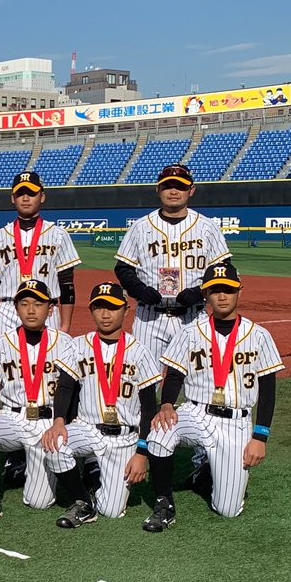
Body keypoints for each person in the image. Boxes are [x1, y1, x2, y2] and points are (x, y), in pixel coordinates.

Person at [138, 262, 283, 531]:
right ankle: (164, 505)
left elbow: (268, 390)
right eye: (215, 290)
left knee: (228, 510)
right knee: (159, 433)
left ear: (239, 291)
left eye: (228, 289)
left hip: (236, 422)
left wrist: (260, 437)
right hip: (197, 412)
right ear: (205, 294)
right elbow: (174, 375)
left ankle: (205, 470)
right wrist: (167, 404)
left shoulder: (259, 335)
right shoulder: (190, 332)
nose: (222, 296)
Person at [113, 163, 230, 488]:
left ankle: (203, 462)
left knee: (201, 386)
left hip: (192, 316)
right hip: (150, 317)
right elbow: (123, 269)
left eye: (179, 185)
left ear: (191, 190)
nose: (173, 190)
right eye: (167, 185)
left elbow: (224, 269)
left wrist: (200, 291)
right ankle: (135, 451)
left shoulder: (207, 228)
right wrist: (140, 291)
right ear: (158, 189)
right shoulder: (141, 227)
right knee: (141, 386)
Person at [38, 282, 161, 528]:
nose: (105, 314)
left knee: (112, 511)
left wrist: (142, 453)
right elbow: (65, 387)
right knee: (55, 445)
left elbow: (149, 408)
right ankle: (83, 502)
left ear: (126, 310)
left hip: (124, 437)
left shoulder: (140, 352)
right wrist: (59, 421)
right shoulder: (78, 345)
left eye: (113, 308)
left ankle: (94, 470)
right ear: (91, 310)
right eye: (99, 307)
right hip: (88, 428)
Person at [0, 280, 73, 524]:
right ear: (16, 308)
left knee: (40, 502)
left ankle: (27, 467)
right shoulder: (1, 343)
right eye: (24, 304)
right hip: (12, 416)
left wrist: (63, 421)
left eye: (38, 304)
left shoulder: (65, 342)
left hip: (47, 421)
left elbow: (71, 389)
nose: (31, 310)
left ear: (50, 309)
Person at [0, 171, 80, 337]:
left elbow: (66, 280)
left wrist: (65, 324)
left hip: (47, 309)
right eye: (20, 193)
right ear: (13, 198)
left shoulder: (58, 235)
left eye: (31, 193)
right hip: (9, 311)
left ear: (42, 197)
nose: (25, 198)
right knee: (9, 355)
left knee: (47, 354)